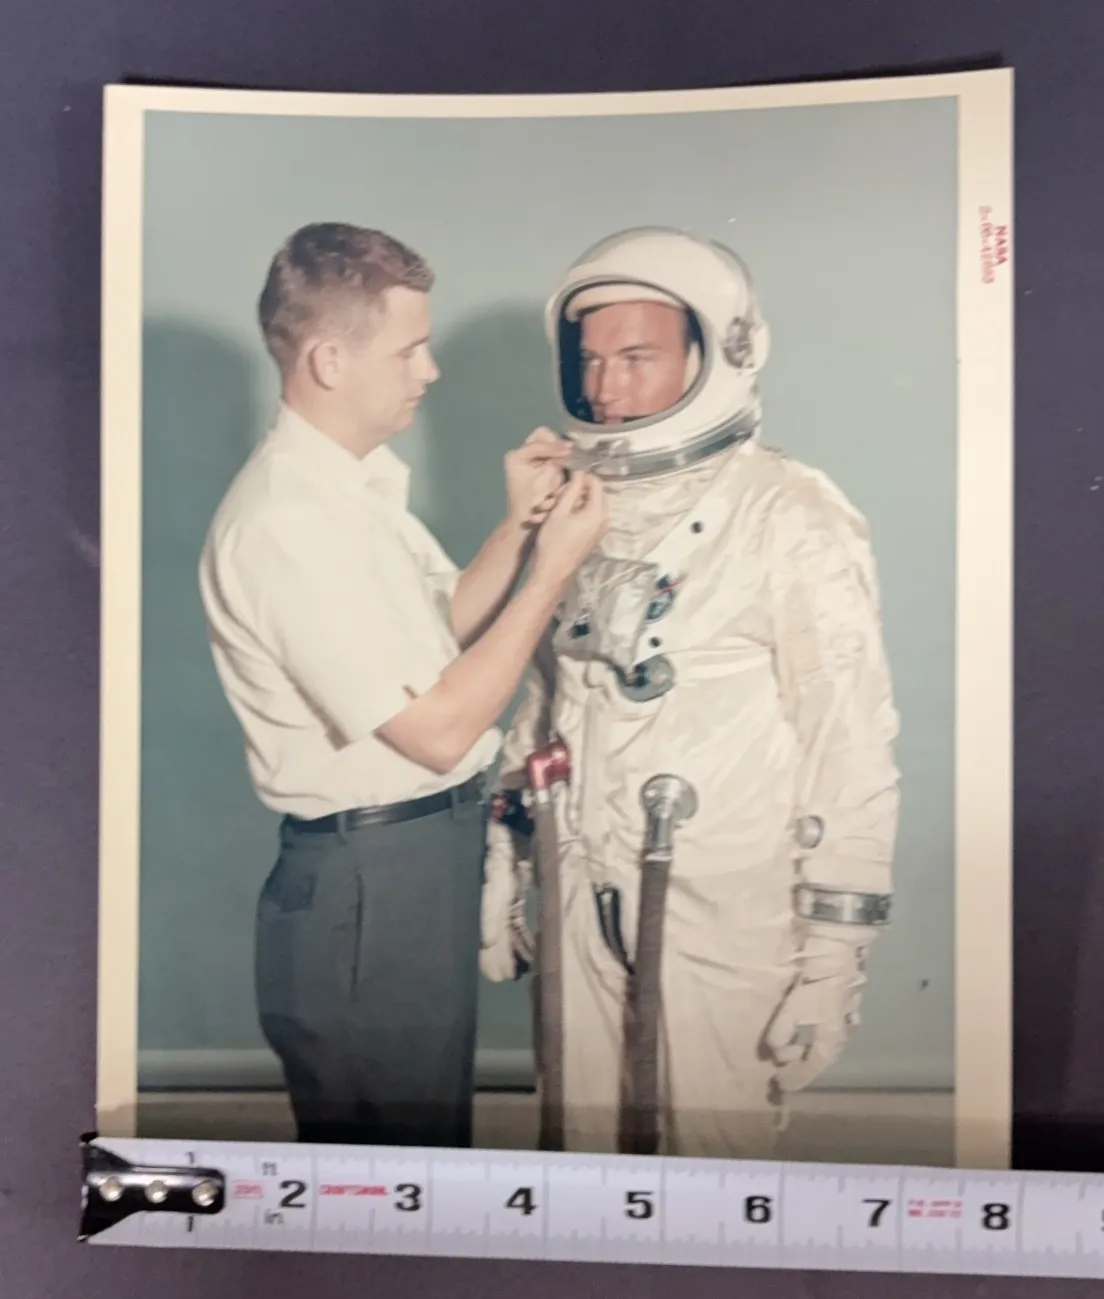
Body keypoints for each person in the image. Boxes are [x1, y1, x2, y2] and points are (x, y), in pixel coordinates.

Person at [480, 226, 901, 1159]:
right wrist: (507, 858)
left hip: (719, 907)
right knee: (577, 1156)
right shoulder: (574, 503)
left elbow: (849, 741)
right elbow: (544, 697)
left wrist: (835, 957)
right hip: (580, 880)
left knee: (715, 1164)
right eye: (591, 361)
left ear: (718, 353)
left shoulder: (790, 513)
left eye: (637, 358)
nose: (606, 388)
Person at [198, 221, 605, 1148]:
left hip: (405, 876)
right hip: (368, 892)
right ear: (329, 360)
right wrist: (553, 571)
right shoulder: (290, 524)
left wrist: (521, 527)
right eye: (408, 349)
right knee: (390, 1176)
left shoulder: (347, 495)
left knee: (424, 1158)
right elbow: (437, 730)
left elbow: (438, 633)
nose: (430, 370)